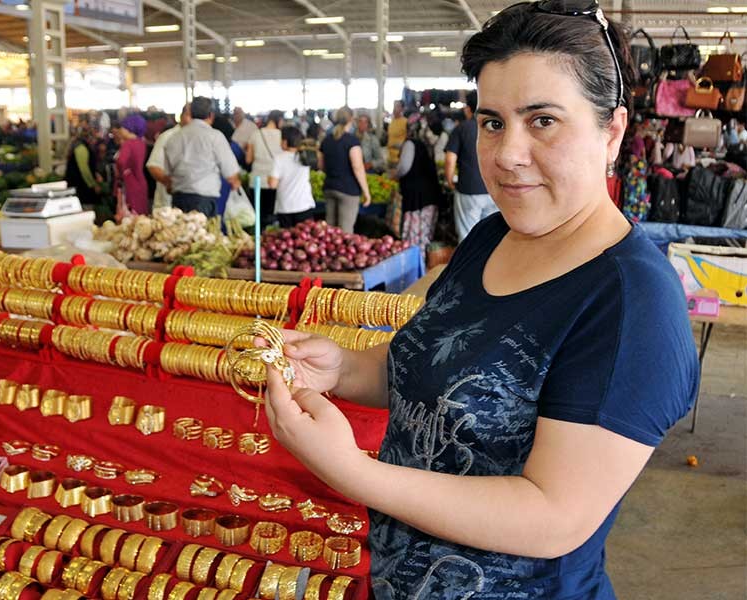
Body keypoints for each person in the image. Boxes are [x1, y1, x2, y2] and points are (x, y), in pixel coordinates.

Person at [262, 3, 699, 599]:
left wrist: (353, 472)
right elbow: (432, 373)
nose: (507, 154)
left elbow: (553, 517)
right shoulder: (493, 235)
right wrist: (342, 367)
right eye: (492, 122)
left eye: (542, 120)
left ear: (612, 132)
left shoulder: (630, 304)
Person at [163, 96, 242, 217]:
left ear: (190, 113)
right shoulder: (215, 137)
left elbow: (168, 175)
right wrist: (235, 182)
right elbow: (231, 174)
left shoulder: (174, 138)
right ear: (211, 115)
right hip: (204, 200)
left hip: (179, 199)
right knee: (203, 234)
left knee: (181, 234)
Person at [445, 91, 499, 241]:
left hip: (469, 190)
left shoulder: (461, 129)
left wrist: (449, 180)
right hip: (493, 190)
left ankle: (471, 265)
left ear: (468, 109)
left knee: (468, 237)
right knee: (491, 236)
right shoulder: (496, 125)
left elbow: (450, 159)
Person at [318, 107, 372, 234]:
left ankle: (330, 253)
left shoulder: (326, 140)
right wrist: (366, 192)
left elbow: (321, 165)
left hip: (329, 187)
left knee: (330, 230)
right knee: (345, 232)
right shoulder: (352, 141)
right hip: (348, 190)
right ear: (352, 120)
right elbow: (358, 168)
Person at [396, 124, 442, 248]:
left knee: (413, 234)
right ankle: (422, 262)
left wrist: (395, 174)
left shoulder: (410, 144)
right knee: (425, 233)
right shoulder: (429, 143)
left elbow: (404, 167)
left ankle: (414, 263)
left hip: (416, 195)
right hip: (430, 192)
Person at [269, 126, 316, 228]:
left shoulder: (279, 158)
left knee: (288, 240)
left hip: (286, 207)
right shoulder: (305, 156)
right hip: (304, 205)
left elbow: (272, 184)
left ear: (285, 142)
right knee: (305, 239)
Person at [147, 104, 190, 211]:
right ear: (181, 116)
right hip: (167, 204)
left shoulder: (197, 137)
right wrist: (171, 184)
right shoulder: (168, 137)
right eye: (189, 115)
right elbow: (153, 166)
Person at [246, 110, 284, 227]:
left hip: (256, 181)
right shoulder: (282, 136)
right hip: (274, 181)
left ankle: (259, 240)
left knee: (259, 218)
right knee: (272, 217)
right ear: (279, 120)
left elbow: (248, 159)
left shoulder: (255, 134)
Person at [116, 113, 149, 217]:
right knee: (140, 215)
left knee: (129, 216)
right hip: (141, 181)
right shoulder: (141, 143)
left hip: (130, 183)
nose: (120, 129)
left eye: (123, 127)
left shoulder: (128, 144)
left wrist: (122, 173)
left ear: (129, 128)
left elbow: (121, 161)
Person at [65, 126, 101, 207]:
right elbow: (84, 169)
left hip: (79, 186)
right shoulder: (81, 147)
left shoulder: (79, 145)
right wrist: (93, 184)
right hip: (81, 187)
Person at [387, 100, 408, 165]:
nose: (394, 108)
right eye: (394, 106)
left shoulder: (405, 122)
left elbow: (408, 141)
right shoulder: (392, 121)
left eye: (397, 106)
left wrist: (395, 145)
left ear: (402, 109)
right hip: (390, 158)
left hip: (400, 159)